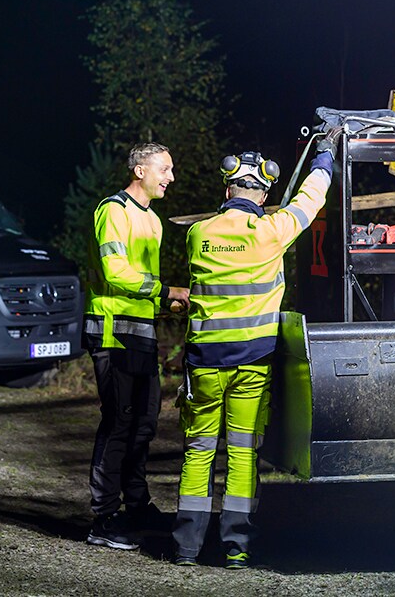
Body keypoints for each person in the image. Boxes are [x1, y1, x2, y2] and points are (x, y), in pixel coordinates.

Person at [171, 139, 336, 569]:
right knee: (243, 452)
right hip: (252, 363)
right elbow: (309, 200)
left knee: (199, 451)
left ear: (227, 191)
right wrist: (325, 158)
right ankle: (236, 547)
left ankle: (187, 546)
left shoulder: (198, 234)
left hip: (204, 365)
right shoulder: (271, 232)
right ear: (263, 196)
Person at [84, 142, 190, 550]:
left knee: (144, 423)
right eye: (165, 168)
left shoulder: (153, 220)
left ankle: (137, 504)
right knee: (118, 423)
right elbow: (115, 272)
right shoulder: (113, 211)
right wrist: (166, 292)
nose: (171, 177)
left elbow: (141, 283)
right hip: (112, 335)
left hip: (141, 334)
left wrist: (167, 300)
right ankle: (104, 519)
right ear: (140, 170)